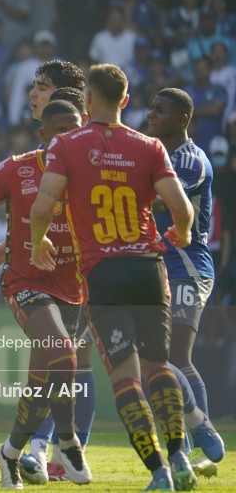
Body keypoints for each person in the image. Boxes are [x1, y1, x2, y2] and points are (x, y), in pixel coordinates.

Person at [30, 64, 196, 491]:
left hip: (103, 272)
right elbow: (181, 208)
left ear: (87, 101)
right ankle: (181, 457)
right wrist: (183, 231)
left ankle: (159, 471)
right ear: (125, 100)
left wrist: (39, 241)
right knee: (159, 366)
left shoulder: (67, 144)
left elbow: (43, 204)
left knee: (125, 376)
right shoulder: (149, 146)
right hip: (149, 267)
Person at [0, 100, 91, 489]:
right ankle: (68, 443)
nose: (68, 134)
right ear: (44, 134)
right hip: (26, 283)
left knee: (41, 384)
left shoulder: (92, 170)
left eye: (75, 127)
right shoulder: (17, 168)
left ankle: (10, 453)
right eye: (60, 128)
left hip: (76, 289)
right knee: (64, 353)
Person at [146, 88, 224, 469]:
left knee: (177, 356)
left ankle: (199, 441)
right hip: (157, 267)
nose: (150, 114)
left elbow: (162, 200)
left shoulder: (191, 160)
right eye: (150, 107)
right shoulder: (154, 153)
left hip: (188, 267)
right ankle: (188, 441)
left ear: (182, 119)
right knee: (156, 359)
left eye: (160, 110)